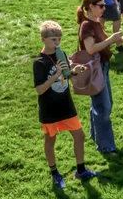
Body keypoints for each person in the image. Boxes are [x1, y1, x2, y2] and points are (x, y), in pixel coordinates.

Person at [32, 21, 98, 188]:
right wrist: (56, 75)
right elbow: (40, 90)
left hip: (66, 105)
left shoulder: (60, 54)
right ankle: (55, 173)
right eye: (54, 39)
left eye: (59, 39)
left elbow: (67, 75)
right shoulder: (39, 62)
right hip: (50, 108)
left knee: (79, 136)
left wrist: (75, 70)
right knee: (50, 140)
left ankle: (81, 170)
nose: (57, 43)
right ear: (43, 39)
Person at [76, 0, 123, 154]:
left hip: (102, 67)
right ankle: (106, 146)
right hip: (95, 70)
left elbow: (101, 45)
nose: (104, 9)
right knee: (103, 107)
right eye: (101, 6)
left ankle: (95, 135)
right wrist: (112, 39)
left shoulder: (96, 22)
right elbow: (90, 49)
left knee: (103, 104)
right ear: (91, 7)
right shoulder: (87, 25)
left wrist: (115, 40)